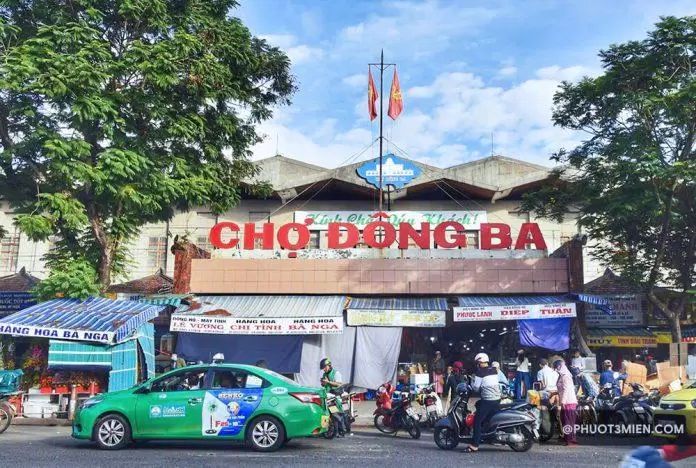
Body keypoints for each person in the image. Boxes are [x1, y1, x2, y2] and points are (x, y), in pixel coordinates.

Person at [465, 352, 501, 453]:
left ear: (480, 362)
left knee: (477, 421)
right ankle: (488, 436)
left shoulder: (480, 372)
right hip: (497, 399)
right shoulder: (494, 370)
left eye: (478, 363)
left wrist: (471, 383)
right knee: (479, 405)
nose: (477, 365)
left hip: (488, 400)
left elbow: (476, 388)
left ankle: (474, 445)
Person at [320, 357, 349, 436]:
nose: (324, 369)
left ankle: (341, 430)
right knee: (324, 412)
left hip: (336, 396)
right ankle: (324, 429)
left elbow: (339, 384)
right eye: (323, 368)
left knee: (336, 414)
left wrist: (328, 382)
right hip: (328, 396)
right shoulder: (324, 374)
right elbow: (324, 385)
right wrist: (323, 383)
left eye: (325, 367)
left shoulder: (336, 373)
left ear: (329, 365)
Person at [553, 359, 578, 446]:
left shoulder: (565, 376)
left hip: (568, 402)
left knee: (568, 421)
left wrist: (562, 402)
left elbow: (566, 389)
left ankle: (571, 440)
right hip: (566, 401)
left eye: (556, 367)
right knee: (565, 421)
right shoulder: (562, 375)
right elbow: (561, 389)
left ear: (559, 366)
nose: (556, 369)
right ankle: (567, 439)